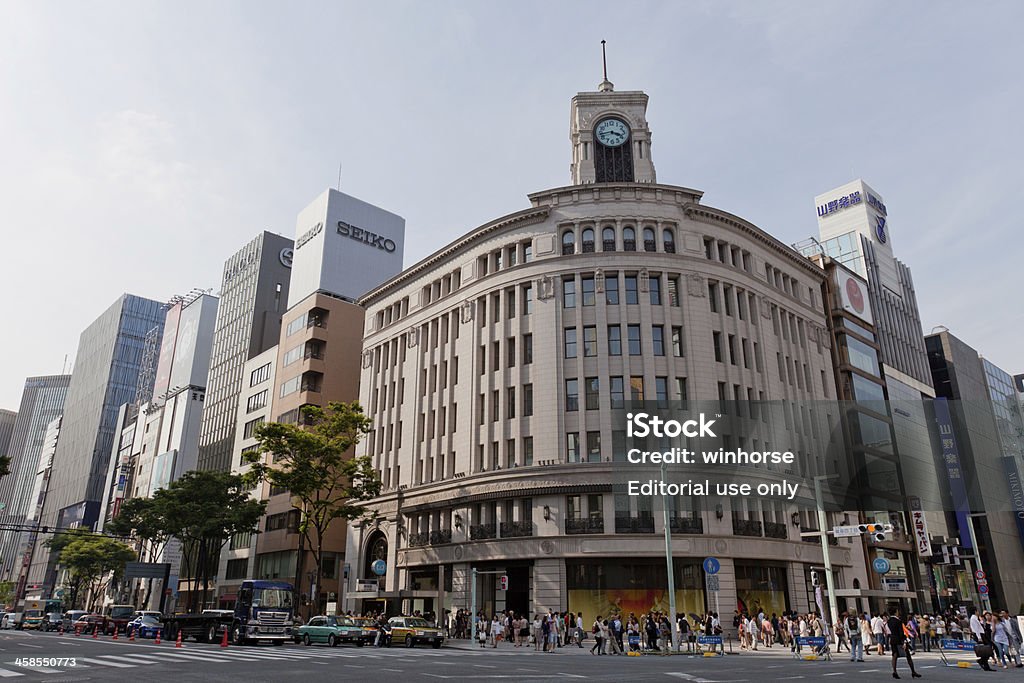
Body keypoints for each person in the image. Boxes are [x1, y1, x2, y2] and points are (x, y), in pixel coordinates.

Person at [887, 609, 921, 679]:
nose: (898, 612)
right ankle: (913, 671)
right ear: (895, 613)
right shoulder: (898, 621)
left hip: (893, 639)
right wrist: (904, 641)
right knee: (908, 656)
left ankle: (894, 671)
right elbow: (901, 633)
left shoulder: (889, 621)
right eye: (897, 611)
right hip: (899, 640)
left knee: (894, 655)